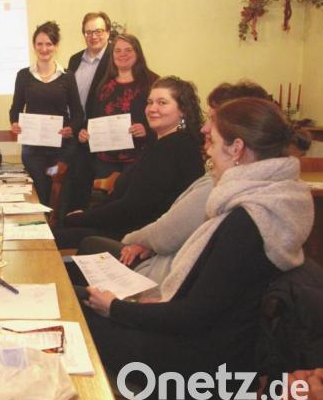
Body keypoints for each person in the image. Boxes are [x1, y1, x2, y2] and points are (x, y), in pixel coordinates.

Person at [83, 97, 313, 400]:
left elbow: (193, 316)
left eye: (213, 141)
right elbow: (207, 302)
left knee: (77, 315)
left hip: (199, 364)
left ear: (237, 149)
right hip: (221, 348)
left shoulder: (247, 220)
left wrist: (115, 307)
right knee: (80, 296)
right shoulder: (275, 200)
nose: (208, 150)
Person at [115, 82, 272, 288]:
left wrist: (138, 241)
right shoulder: (235, 179)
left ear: (237, 143)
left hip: (166, 278)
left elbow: (168, 233)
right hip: (166, 260)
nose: (204, 128)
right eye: (150, 102)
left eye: (213, 119)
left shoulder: (219, 185)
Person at [54, 76, 205, 249]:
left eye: (162, 103)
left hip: (137, 240)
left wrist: (83, 218)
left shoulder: (175, 146)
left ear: (183, 110)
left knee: (47, 238)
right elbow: (124, 199)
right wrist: (87, 214)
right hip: (128, 227)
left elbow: (133, 207)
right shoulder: (162, 143)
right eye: (150, 102)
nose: (152, 109)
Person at [9, 20, 83, 206]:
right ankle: (42, 222)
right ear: (34, 46)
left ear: (56, 46)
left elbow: (78, 113)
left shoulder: (67, 77)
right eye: (39, 44)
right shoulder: (23, 75)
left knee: (57, 193)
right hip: (33, 152)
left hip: (60, 150)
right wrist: (15, 123)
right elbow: (15, 109)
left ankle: (57, 223)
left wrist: (71, 128)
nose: (44, 49)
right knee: (40, 191)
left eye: (49, 44)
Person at [76, 34, 159, 180]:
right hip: (105, 161)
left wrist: (146, 130)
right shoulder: (104, 84)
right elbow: (93, 118)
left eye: (128, 50)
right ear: (112, 55)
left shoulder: (152, 83)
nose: (122, 54)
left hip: (140, 158)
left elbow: (165, 121)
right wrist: (84, 132)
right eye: (118, 50)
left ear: (138, 53)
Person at [64, 11, 112, 212]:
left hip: (104, 137)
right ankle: (73, 222)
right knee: (75, 186)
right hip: (78, 133)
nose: (94, 36)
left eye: (98, 31)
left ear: (108, 32)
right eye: (88, 32)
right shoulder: (75, 60)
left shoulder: (115, 58)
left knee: (103, 193)